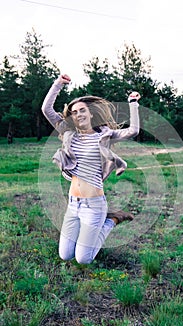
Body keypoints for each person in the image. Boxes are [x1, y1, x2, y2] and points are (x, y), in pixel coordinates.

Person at [41, 74, 140, 264]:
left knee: (83, 259)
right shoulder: (69, 133)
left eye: (82, 110)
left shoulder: (106, 135)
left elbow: (133, 131)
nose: (78, 114)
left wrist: (133, 103)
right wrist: (58, 84)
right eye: (74, 112)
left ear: (91, 113)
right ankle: (99, 226)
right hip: (73, 204)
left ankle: (113, 219)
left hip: (94, 205)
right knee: (65, 255)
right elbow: (46, 109)